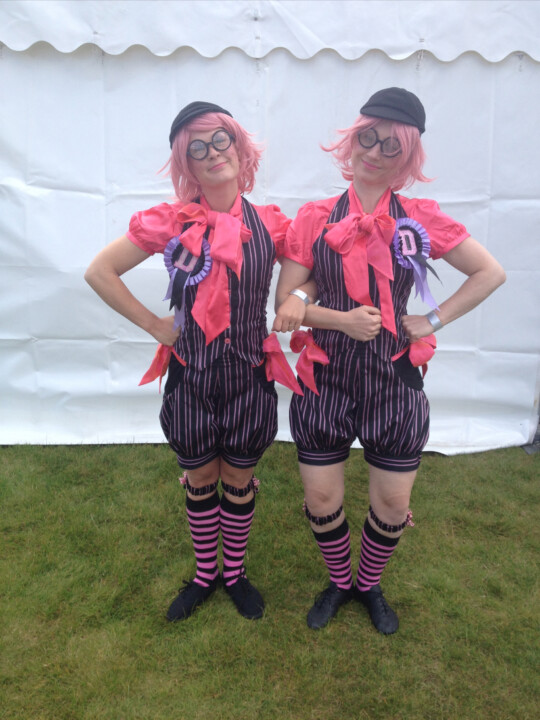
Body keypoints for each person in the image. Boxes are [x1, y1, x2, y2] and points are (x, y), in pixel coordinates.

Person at [273, 87, 505, 634]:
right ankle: (339, 581)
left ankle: (368, 584)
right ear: (352, 141)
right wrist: (340, 319)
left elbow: (490, 273)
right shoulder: (314, 217)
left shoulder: (419, 219)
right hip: (325, 377)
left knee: (395, 502)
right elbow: (286, 305)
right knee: (321, 494)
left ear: (408, 158)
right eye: (368, 138)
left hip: (394, 379)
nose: (375, 152)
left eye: (391, 146)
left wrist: (432, 319)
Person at [85, 101, 294, 622]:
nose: (212, 153)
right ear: (187, 162)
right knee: (200, 478)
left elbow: (313, 268)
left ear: (239, 146)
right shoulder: (170, 221)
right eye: (197, 148)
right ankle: (205, 574)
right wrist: (155, 326)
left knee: (238, 479)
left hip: (248, 375)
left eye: (221, 139)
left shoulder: (273, 225)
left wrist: (302, 301)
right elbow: (100, 271)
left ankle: (234, 573)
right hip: (190, 377)